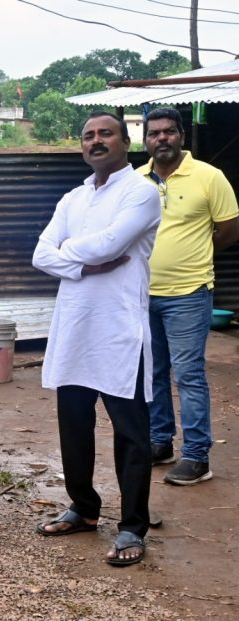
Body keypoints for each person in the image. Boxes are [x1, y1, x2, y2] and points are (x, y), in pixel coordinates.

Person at [33, 111, 161, 567]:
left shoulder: (141, 192)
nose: (96, 140)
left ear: (126, 142)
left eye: (106, 133)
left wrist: (68, 254)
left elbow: (112, 244)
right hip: (75, 328)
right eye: (88, 136)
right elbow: (40, 253)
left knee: (131, 434)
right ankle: (84, 508)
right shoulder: (73, 198)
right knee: (73, 426)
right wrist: (84, 267)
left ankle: (132, 527)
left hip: (121, 331)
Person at [138, 107, 239, 485]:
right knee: (153, 373)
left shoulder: (209, 177)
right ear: (145, 140)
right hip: (143, 294)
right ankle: (160, 442)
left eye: (168, 131)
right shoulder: (135, 181)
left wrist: (194, 257)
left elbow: (228, 230)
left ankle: (197, 456)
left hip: (189, 294)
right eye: (154, 133)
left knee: (188, 374)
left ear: (181, 135)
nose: (161, 138)